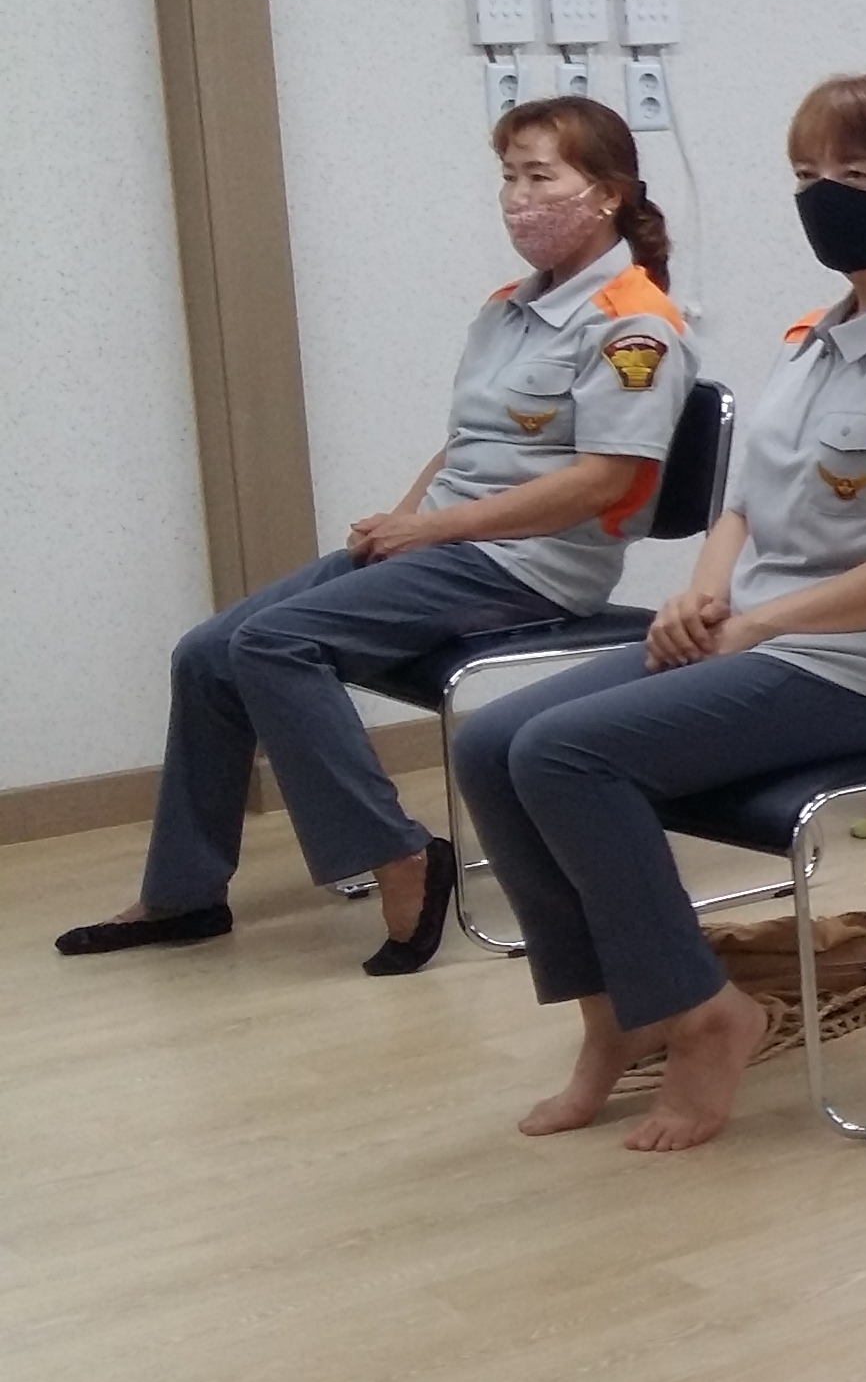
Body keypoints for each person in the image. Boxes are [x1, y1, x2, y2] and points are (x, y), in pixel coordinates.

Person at [455, 71, 866, 1152]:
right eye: (807, 174)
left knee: (567, 755)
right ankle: (616, 1018)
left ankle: (706, 1015)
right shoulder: (813, 334)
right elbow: (744, 504)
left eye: (853, 173)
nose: (822, 195)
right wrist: (707, 589)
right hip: (762, 636)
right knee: (490, 744)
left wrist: (764, 624)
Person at [57, 98, 696, 977]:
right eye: (509, 176)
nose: (517, 197)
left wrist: (432, 528)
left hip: (531, 564)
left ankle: (400, 855)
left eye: (540, 176)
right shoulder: (508, 309)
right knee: (206, 652)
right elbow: (467, 445)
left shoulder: (636, 324)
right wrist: (403, 524)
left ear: (608, 194)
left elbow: (605, 482)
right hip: (453, 545)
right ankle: (184, 891)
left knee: (274, 643)